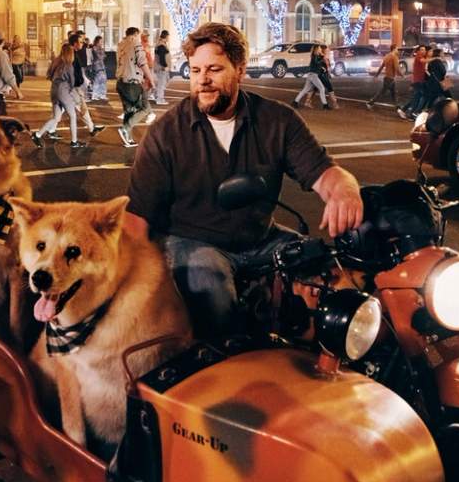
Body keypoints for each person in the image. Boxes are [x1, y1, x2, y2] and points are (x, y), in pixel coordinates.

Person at [127, 22, 363, 333]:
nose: (203, 81)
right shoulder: (165, 134)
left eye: (214, 69)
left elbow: (323, 172)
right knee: (213, 300)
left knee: (335, 276)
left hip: (261, 237)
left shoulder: (278, 120)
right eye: (195, 71)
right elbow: (137, 217)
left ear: (240, 69)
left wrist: (345, 188)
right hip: (194, 241)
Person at [32, 39, 88, 147]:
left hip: (54, 89)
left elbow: (49, 75)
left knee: (56, 117)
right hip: (64, 91)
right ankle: (74, 141)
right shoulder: (68, 65)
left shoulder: (56, 62)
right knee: (72, 116)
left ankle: (37, 135)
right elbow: (72, 82)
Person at [115, 25, 153, 148]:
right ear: (135, 34)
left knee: (129, 111)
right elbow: (142, 62)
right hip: (132, 83)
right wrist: (150, 79)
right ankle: (125, 128)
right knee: (145, 108)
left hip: (121, 82)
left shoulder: (121, 45)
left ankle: (128, 138)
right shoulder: (136, 43)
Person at [294, 44, 337, 109]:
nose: (320, 49)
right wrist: (322, 57)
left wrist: (323, 67)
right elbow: (317, 62)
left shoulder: (316, 56)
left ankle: (295, 102)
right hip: (313, 75)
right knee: (322, 88)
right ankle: (325, 105)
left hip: (311, 75)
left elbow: (319, 64)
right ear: (316, 49)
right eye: (319, 48)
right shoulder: (315, 56)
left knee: (305, 90)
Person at [369, 44, 402, 109]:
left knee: (393, 93)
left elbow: (381, 66)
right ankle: (371, 102)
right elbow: (396, 68)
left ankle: (397, 106)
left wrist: (377, 75)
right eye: (397, 49)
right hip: (390, 78)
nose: (398, 51)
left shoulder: (386, 56)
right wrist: (401, 74)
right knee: (383, 92)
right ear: (394, 49)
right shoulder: (394, 57)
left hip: (387, 77)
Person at [153, 30, 173, 105]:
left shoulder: (161, 44)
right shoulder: (161, 45)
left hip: (160, 67)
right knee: (162, 83)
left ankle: (156, 95)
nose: (169, 38)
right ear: (166, 36)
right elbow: (162, 58)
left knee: (162, 83)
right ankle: (159, 99)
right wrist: (165, 66)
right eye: (168, 36)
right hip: (161, 68)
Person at [88, 34, 109, 101]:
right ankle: (95, 94)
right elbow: (100, 56)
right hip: (97, 66)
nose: (102, 43)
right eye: (100, 41)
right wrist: (102, 52)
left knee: (103, 79)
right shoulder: (94, 48)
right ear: (97, 41)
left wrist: (102, 52)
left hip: (102, 65)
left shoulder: (100, 48)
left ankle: (102, 94)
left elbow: (104, 56)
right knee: (97, 80)